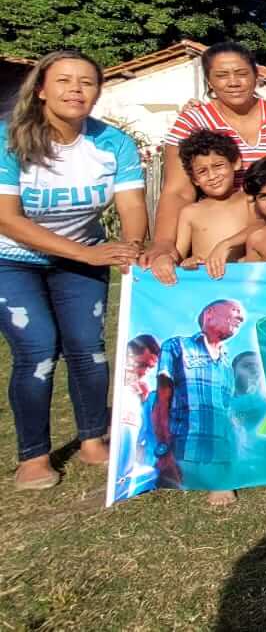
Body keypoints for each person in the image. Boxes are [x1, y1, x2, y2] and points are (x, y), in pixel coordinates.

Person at [0, 51, 147, 490]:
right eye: (64, 81)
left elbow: (133, 206)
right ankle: (33, 455)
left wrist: (130, 247)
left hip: (82, 257)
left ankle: (92, 438)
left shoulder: (113, 143)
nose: (76, 89)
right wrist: (88, 255)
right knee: (38, 350)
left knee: (89, 349)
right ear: (41, 89)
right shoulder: (9, 139)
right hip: (11, 258)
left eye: (87, 82)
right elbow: (6, 217)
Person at [146, 42, 266, 278]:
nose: (233, 82)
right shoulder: (191, 122)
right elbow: (177, 191)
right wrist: (164, 244)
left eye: (242, 73)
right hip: (218, 229)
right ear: (209, 81)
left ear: (256, 75)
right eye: (222, 75)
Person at [152, 299, 245, 506]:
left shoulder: (227, 361)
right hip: (185, 443)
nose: (241, 317)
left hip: (220, 445)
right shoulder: (177, 345)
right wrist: (164, 447)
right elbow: (163, 395)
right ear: (210, 313)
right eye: (235, 311)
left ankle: (219, 471)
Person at [166, 130, 254, 283]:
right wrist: (186, 263)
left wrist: (225, 245)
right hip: (208, 286)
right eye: (202, 171)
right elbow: (178, 255)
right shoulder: (190, 212)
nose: (212, 176)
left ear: (236, 163)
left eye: (218, 165)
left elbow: (258, 227)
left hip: (245, 282)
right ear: (194, 179)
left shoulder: (249, 200)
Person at [111, 334, 161, 502]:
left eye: (149, 367)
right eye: (141, 365)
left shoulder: (143, 388)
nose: (144, 372)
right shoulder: (116, 382)